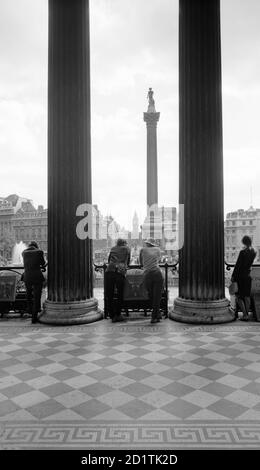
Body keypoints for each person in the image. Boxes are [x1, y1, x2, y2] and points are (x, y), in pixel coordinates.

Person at [232, 235, 256, 321]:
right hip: (248, 276)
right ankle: (247, 316)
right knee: (247, 296)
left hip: (240, 276)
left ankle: (245, 315)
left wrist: (233, 276)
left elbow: (238, 266)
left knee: (238, 296)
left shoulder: (242, 252)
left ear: (244, 242)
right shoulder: (254, 252)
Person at [105, 238, 130, 322]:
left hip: (109, 271)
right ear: (124, 243)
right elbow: (128, 262)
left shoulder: (113, 248)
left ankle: (112, 315)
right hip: (120, 272)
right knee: (120, 294)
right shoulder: (127, 249)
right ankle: (118, 314)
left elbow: (109, 260)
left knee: (110, 294)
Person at [22, 241, 47, 323]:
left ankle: (29, 308)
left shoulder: (24, 252)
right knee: (37, 295)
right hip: (37, 276)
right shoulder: (39, 252)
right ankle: (35, 314)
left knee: (29, 294)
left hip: (27, 276)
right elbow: (43, 263)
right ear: (36, 246)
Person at [139, 239, 163, 323]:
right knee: (157, 296)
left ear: (147, 244)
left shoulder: (142, 250)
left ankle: (155, 315)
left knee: (151, 295)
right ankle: (156, 315)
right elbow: (159, 260)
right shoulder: (158, 250)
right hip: (157, 273)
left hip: (147, 275)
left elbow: (141, 263)